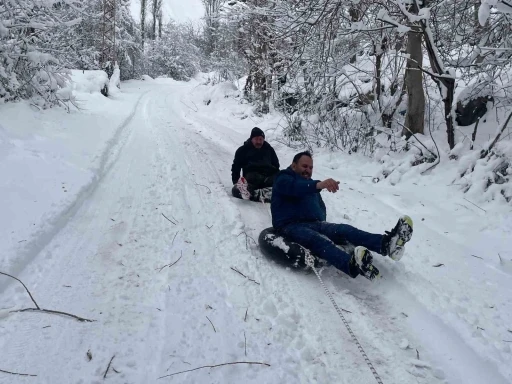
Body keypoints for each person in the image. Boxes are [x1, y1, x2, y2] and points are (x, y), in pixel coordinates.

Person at [270, 151, 413, 280]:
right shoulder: (283, 178)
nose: (308, 170)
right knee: (317, 240)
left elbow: (320, 208)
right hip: (289, 225)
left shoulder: (309, 185)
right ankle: (351, 264)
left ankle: (387, 244)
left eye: (311, 168)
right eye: (304, 166)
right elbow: (293, 187)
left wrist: (326, 227)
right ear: (294, 165)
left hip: (313, 223)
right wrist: (319, 185)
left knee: (344, 229)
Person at [231, 127, 280, 201]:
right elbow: (236, 167)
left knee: (282, 179)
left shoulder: (269, 149)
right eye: (256, 139)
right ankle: (260, 194)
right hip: (252, 179)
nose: (259, 142)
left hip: (268, 178)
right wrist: (236, 182)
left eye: (261, 139)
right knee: (236, 190)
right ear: (251, 139)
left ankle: (261, 194)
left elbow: (276, 165)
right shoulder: (242, 150)